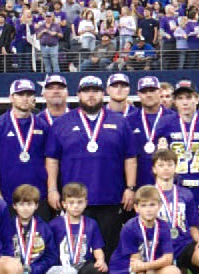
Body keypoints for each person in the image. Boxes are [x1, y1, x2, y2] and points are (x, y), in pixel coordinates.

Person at [46, 76, 136, 253]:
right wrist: (52, 189)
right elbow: (52, 160)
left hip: (110, 197)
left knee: (109, 250)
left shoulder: (120, 121)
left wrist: (130, 188)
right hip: (74, 200)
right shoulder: (62, 123)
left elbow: (130, 158)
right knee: (75, 252)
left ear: (103, 94)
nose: (91, 95)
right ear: (78, 94)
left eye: (95, 91)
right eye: (86, 91)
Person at [106, 186, 182, 274]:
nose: (148, 209)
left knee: (174, 273)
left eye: (152, 205)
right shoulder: (129, 228)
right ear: (136, 208)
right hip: (123, 272)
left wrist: (146, 266)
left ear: (159, 206)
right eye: (144, 205)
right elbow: (135, 263)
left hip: (147, 268)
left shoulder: (163, 226)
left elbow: (168, 258)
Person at [43, 182, 111, 274]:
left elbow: (97, 247)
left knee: (99, 270)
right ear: (64, 204)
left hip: (82, 268)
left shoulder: (91, 224)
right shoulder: (55, 225)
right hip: (63, 272)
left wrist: (100, 260)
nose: (75, 206)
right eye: (71, 202)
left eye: (80, 202)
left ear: (86, 203)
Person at [0, 79, 50, 211]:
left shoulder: (42, 126)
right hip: (8, 196)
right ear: (11, 98)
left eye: (29, 94)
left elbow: (49, 161)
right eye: (20, 94)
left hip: (39, 196)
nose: (25, 98)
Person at [0, 185, 59, 274]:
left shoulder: (44, 228)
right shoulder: (7, 227)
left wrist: (34, 269)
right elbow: (2, 252)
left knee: (69, 273)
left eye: (30, 204)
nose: (25, 208)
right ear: (14, 206)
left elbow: (52, 256)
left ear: (36, 205)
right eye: (21, 204)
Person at [156, 79, 199, 202]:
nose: (185, 102)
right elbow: (162, 159)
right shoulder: (166, 122)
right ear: (175, 101)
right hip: (176, 183)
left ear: (197, 99)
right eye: (180, 98)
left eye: (188, 97)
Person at [125, 76, 171, 187]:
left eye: (152, 90)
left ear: (159, 92)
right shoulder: (129, 121)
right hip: (138, 181)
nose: (148, 95)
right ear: (138, 94)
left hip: (167, 182)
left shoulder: (173, 118)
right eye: (144, 92)